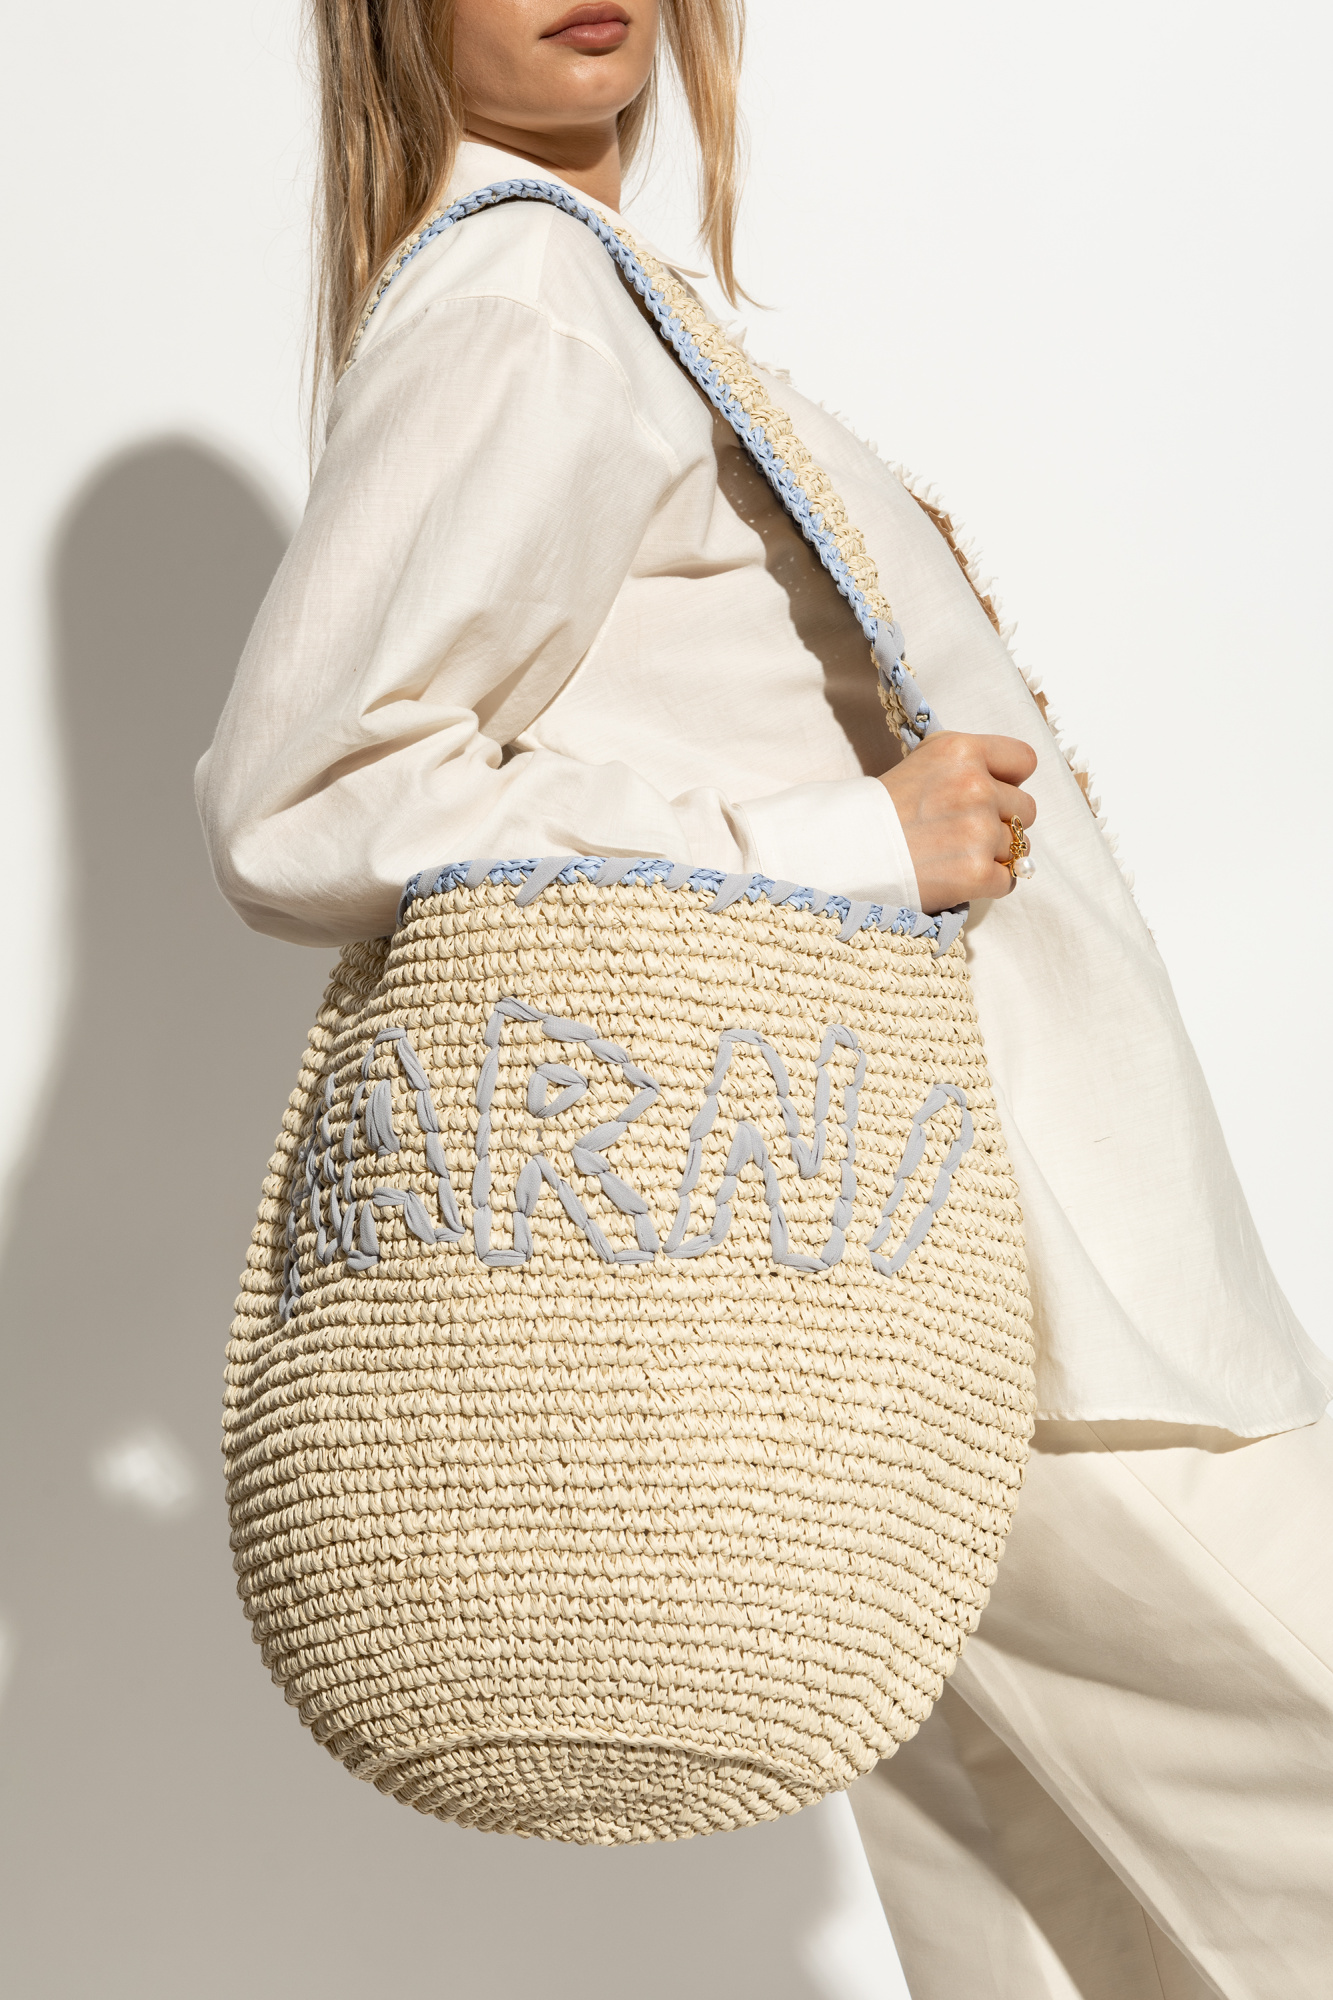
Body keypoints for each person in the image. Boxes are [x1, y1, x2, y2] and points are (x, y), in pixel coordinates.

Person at [196, 5, 1333, 1995]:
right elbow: (300, 796)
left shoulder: (600, 295)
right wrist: (840, 839)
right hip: (963, 1247)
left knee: (1059, 1947)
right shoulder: (530, 303)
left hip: (878, 1269)